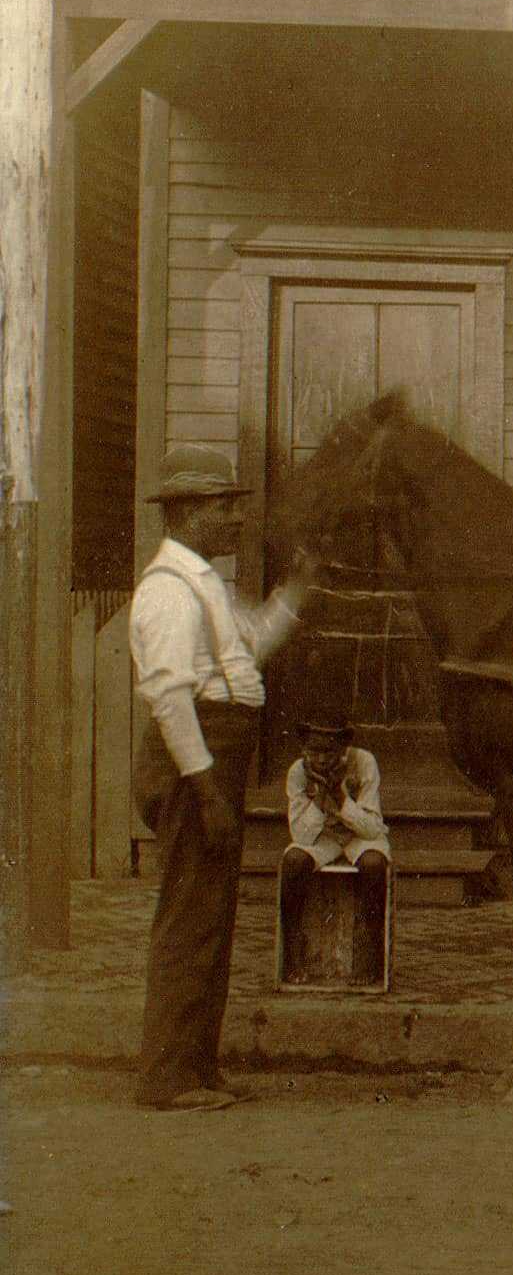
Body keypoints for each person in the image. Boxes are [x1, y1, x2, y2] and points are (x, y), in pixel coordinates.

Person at [131, 447, 315, 1109]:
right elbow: (171, 698)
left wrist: (296, 590)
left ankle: (195, 1065)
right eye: (223, 507)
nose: (237, 518)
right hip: (195, 759)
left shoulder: (204, 580)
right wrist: (205, 788)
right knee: (188, 914)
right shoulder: (166, 592)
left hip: (217, 754)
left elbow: (248, 649)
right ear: (185, 515)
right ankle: (166, 1076)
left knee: (210, 913)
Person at [282, 721, 392, 980]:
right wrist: (321, 797)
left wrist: (341, 798)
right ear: (304, 749)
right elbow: (301, 835)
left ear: (344, 747)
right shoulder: (298, 771)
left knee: (374, 864)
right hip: (324, 837)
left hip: (359, 835)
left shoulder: (364, 762)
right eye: (313, 751)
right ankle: (293, 955)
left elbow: (373, 829)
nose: (320, 759)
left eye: (329, 752)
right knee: (294, 862)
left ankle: (370, 954)